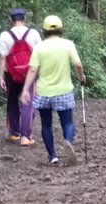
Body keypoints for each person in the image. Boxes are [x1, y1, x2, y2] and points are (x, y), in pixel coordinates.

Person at [21, 15, 86, 166]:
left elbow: (32, 70)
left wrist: (25, 90)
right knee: (67, 123)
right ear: (61, 29)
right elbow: (78, 65)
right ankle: (68, 142)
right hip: (63, 91)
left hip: (43, 92)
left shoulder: (39, 47)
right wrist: (81, 77)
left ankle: (52, 156)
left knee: (46, 124)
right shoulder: (68, 45)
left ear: (44, 30)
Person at [0, 8, 41, 147]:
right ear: (25, 19)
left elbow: (2, 57)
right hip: (29, 73)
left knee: (12, 101)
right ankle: (25, 137)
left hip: (11, 74)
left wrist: (1, 77)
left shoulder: (5, 35)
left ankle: (14, 133)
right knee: (28, 103)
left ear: (11, 19)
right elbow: (40, 54)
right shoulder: (33, 33)